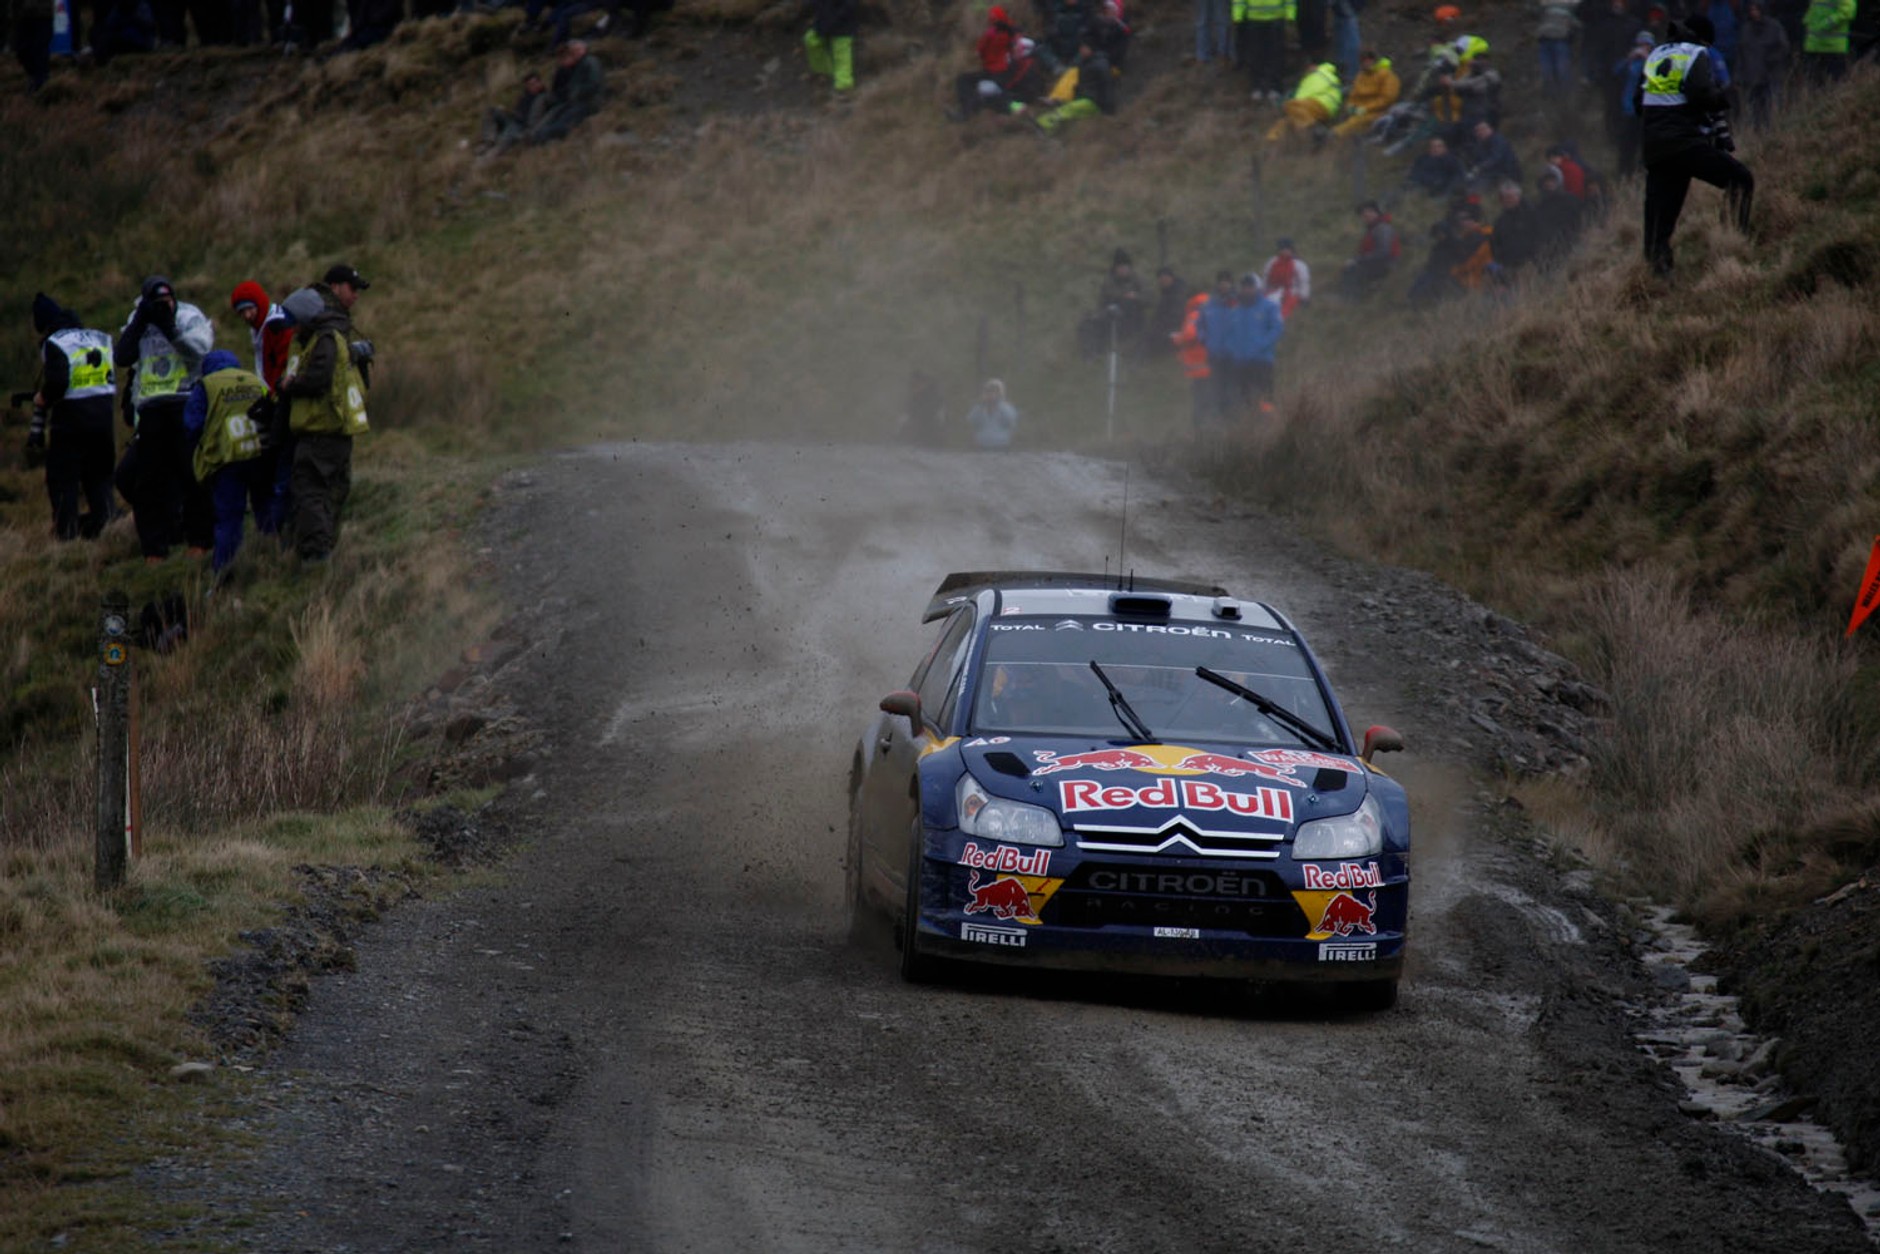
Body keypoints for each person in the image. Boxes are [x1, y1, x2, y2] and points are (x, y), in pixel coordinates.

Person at [1638, 19, 1753, 275]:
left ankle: (1658, 276)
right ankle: (1731, 245)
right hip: (1684, 143)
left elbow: (1638, 101)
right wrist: (1723, 98)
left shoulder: (1655, 53)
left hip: (1654, 147)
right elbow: (1700, 94)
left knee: (1660, 220)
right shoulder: (1695, 53)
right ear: (1704, 40)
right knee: (1741, 180)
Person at [114, 276, 214, 564]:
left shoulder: (189, 315)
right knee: (148, 483)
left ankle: (199, 541)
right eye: (157, 302)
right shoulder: (139, 318)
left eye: (167, 301)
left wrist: (171, 328)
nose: (163, 306)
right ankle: (154, 550)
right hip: (150, 407)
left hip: (185, 400)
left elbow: (202, 350)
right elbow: (123, 356)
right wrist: (141, 321)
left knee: (192, 475)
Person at [282, 266, 372, 562]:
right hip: (338, 427)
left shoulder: (322, 339)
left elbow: (320, 378)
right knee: (331, 489)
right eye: (353, 288)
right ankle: (325, 550)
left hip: (322, 429)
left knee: (310, 490)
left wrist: (292, 385)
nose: (292, 327)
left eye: (294, 321)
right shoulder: (333, 333)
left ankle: (316, 556)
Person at [28, 294, 117, 542]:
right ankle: (109, 531)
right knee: (99, 478)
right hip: (103, 416)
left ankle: (66, 538)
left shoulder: (55, 342)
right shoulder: (100, 337)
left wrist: (43, 398)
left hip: (71, 420)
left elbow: (57, 382)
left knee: (63, 480)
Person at [183, 350, 273, 575]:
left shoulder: (206, 385)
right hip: (260, 452)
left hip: (227, 459)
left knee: (229, 519)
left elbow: (192, 425)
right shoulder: (254, 379)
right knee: (265, 508)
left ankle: (224, 571)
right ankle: (273, 558)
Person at [228, 280, 296, 534]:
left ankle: (280, 521)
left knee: (279, 459)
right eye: (242, 312)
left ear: (260, 303)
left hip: (281, 398)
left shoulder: (276, 325)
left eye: (250, 309)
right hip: (273, 395)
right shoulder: (259, 326)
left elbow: (282, 362)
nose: (247, 315)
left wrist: (274, 395)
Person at [1169, 277, 1218, 431]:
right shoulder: (1212, 309)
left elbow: (1190, 334)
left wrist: (1177, 338)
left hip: (1199, 367)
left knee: (1200, 403)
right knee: (1210, 401)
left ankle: (1199, 434)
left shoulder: (1195, 313)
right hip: (1212, 364)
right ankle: (1210, 432)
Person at [1078, 249, 1145, 359]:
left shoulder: (1137, 280)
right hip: (1110, 317)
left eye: (1126, 267)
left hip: (1131, 320)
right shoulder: (1108, 283)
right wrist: (1099, 315)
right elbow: (1102, 303)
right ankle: (1092, 355)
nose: (1123, 270)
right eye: (1120, 267)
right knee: (1087, 323)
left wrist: (1136, 297)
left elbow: (1149, 298)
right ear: (1115, 268)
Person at [953, 5, 1018, 119]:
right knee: (998, 95)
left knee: (963, 80)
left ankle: (965, 113)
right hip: (1006, 72)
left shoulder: (991, 34)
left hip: (993, 73)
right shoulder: (1012, 31)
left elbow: (978, 53)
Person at [533, 40, 605, 142]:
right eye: (573, 51)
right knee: (560, 115)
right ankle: (540, 135)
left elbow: (594, 85)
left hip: (589, 102)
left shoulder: (591, 62)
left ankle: (546, 135)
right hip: (577, 101)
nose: (574, 53)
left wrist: (576, 92)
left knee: (566, 120)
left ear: (583, 50)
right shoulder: (579, 65)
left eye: (576, 50)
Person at [1735, 0, 1790, 123]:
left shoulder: (1774, 27)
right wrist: (1738, 75)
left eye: (1756, 10)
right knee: (1754, 108)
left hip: (1771, 73)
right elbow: (1741, 54)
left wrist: (1773, 59)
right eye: (1751, 10)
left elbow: (1784, 47)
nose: (1754, 13)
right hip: (1751, 75)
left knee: (1771, 106)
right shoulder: (1746, 29)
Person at [1265, 60, 1342, 146]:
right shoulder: (1331, 78)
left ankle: (1315, 130)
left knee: (1289, 105)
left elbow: (1301, 97)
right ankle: (1272, 140)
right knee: (1288, 120)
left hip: (1316, 104)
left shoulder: (1317, 73)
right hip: (1327, 110)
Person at [1332, 49, 1399, 137]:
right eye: (1363, 60)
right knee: (1346, 120)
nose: (1365, 63)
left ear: (1374, 60)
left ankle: (1332, 135)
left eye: (1368, 60)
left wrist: (1366, 108)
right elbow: (1353, 96)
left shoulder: (1387, 75)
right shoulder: (1360, 76)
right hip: (1359, 112)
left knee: (1353, 124)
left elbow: (1387, 98)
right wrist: (1350, 107)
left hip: (1379, 113)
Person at [1235, 0, 1294, 102]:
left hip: (1276, 17)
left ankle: (1275, 86)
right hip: (1254, 18)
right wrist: (1238, 15)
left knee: (1276, 54)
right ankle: (1257, 85)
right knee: (1255, 54)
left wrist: (1290, 14)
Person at [1339, 200, 1401, 296]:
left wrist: (1357, 260)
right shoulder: (1374, 228)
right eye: (1363, 215)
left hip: (1386, 264)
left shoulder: (1383, 228)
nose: (1365, 217)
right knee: (1351, 268)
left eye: (1367, 213)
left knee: (1352, 270)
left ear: (1375, 212)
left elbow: (1383, 252)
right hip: (1378, 262)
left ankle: (1350, 299)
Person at [482, 72, 550, 152]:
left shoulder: (544, 98)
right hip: (513, 118)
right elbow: (517, 110)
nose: (533, 87)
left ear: (540, 82)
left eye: (535, 83)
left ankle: (491, 153)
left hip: (521, 126)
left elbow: (533, 118)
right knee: (492, 111)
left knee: (503, 142)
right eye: (530, 85)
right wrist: (507, 111)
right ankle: (489, 141)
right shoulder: (525, 96)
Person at [804, 0, 858, 94]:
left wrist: (835, 19)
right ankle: (824, 72)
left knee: (841, 56)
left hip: (843, 26)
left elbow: (850, 6)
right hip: (823, 24)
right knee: (811, 41)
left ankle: (844, 87)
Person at [1490, 181, 1544, 271]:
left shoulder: (1531, 214)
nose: (1508, 200)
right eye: (1504, 197)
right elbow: (1495, 243)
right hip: (1507, 266)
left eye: (1510, 197)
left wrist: (1533, 259)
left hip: (1530, 265)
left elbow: (1540, 237)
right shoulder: (1500, 221)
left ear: (1518, 197)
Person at [1536, 0, 1582, 96]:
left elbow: (1536, 12)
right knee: (1560, 69)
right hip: (1558, 40)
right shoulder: (1570, 8)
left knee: (1550, 69)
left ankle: (1556, 93)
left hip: (1548, 39)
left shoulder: (1546, 6)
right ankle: (1562, 94)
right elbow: (1577, 24)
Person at [1461, 118, 1521, 188]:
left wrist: (1480, 167)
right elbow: (1480, 159)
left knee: (1476, 187)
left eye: (1478, 131)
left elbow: (1496, 158)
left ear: (1486, 129)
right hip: (1492, 173)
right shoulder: (1484, 143)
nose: (1477, 134)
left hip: (1506, 174)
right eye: (1476, 132)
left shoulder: (1498, 140)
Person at [1260, 238, 1312, 318]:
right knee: (1262, 308)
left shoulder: (1299, 264)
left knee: (1283, 312)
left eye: (1287, 249)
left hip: (1291, 292)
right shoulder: (1272, 262)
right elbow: (1265, 278)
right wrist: (1262, 291)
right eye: (1282, 249)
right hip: (1273, 291)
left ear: (1291, 250)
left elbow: (1304, 282)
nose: (1284, 251)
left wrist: (1304, 297)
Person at [1801, 0, 1853, 79]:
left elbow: (1847, 12)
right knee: (1812, 84)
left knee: (1833, 85)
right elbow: (1814, 9)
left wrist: (1827, 24)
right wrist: (1807, 22)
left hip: (1833, 47)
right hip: (1814, 46)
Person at [1144, 266, 1190, 355]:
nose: (1163, 281)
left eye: (1165, 278)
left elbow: (1176, 316)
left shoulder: (1178, 294)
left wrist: (1159, 325)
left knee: (1154, 338)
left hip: (1177, 329)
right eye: (1160, 279)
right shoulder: (1166, 293)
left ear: (1171, 278)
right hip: (1167, 327)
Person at [964, 379, 1019, 449]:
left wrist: (998, 405)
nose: (990, 394)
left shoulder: (1007, 408)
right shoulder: (979, 408)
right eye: (988, 392)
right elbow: (971, 422)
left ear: (1000, 393)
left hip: (1002, 447)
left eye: (994, 392)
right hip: (981, 447)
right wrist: (981, 406)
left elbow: (1010, 422)